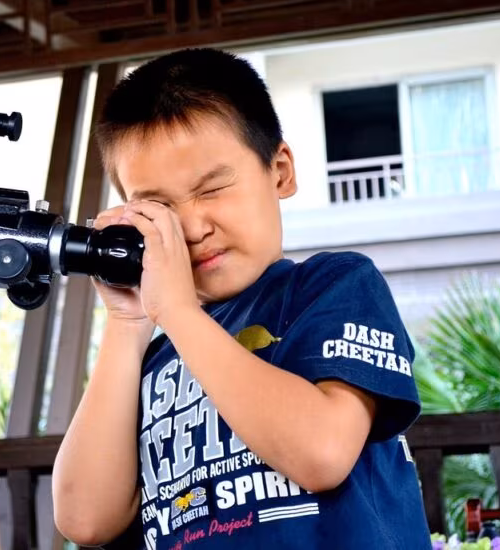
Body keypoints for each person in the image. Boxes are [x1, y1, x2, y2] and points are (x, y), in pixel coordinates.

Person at [51, 48, 431, 549]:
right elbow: (84, 518)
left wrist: (180, 313)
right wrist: (128, 324)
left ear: (279, 171)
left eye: (212, 189)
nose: (192, 227)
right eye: (159, 208)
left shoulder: (333, 287)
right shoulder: (152, 360)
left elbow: (321, 452)